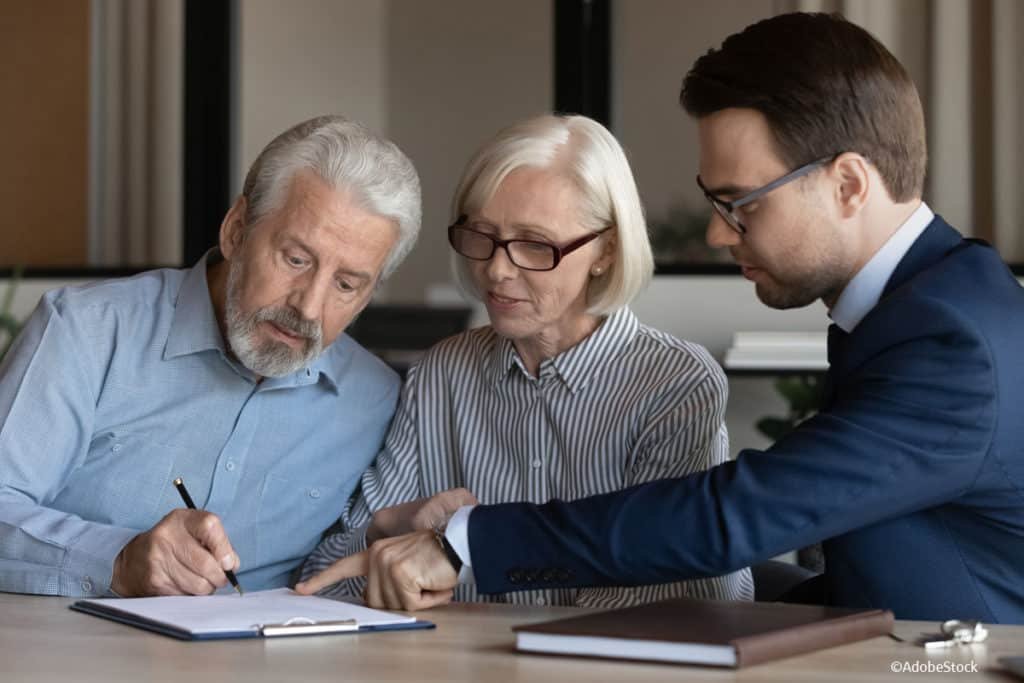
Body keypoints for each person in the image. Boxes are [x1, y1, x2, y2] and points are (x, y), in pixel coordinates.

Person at [297, 13, 1024, 623]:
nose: (715, 233)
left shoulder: (951, 343)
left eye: (741, 203)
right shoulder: (928, 303)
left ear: (848, 184)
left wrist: (466, 542)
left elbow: (733, 517)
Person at [298, 114, 753, 608]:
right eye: (483, 235)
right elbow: (327, 580)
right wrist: (385, 530)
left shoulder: (673, 385)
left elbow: (668, 598)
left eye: (535, 245)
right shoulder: (442, 375)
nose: (495, 269)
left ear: (607, 249)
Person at [0, 115, 422, 597]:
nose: (308, 307)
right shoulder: (87, 331)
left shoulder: (375, 401)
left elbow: (339, 575)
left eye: (346, 284)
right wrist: (116, 560)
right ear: (237, 230)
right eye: (296, 260)